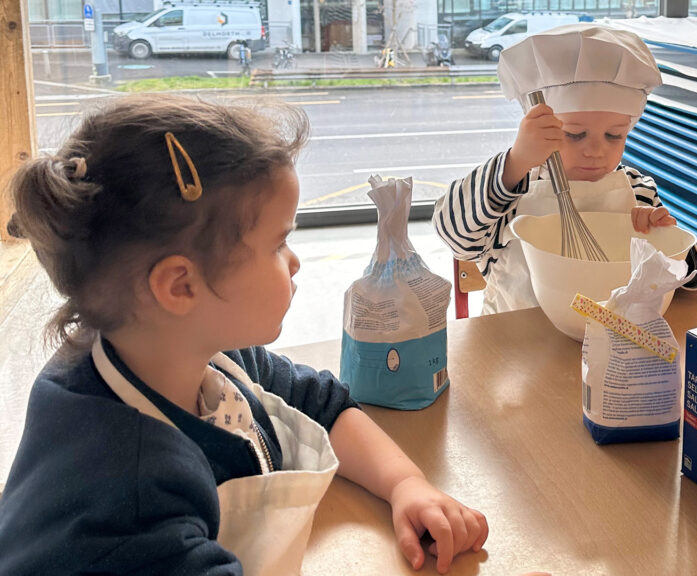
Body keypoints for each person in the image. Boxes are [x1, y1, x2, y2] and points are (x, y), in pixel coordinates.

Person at [0, 95, 489, 575]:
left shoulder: (195, 353)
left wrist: (406, 483)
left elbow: (320, 403)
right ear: (181, 285)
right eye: (278, 243)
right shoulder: (127, 501)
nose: (295, 261)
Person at [433, 24, 697, 315]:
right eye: (575, 134)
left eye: (614, 135)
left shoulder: (638, 191)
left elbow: (692, 279)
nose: (595, 150)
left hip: (612, 343)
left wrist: (665, 240)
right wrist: (514, 163)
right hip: (515, 350)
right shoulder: (511, 190)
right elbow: (453, 235)